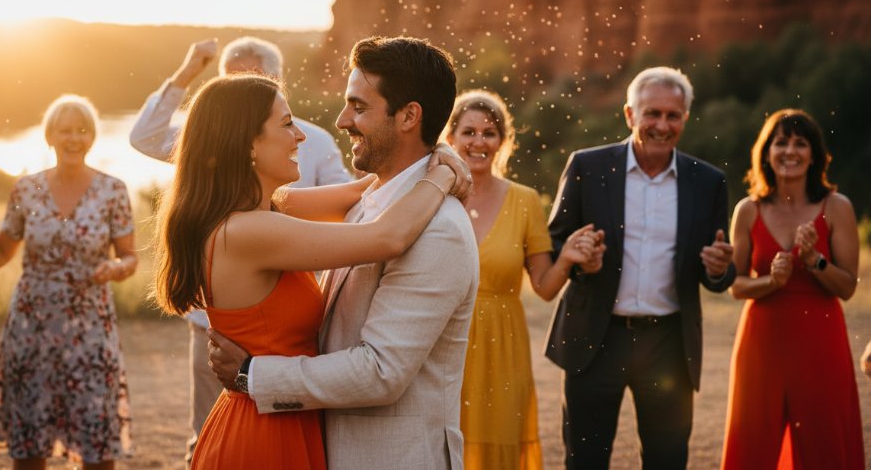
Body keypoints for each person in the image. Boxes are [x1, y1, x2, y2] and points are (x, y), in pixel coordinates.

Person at [208, 36, 480, 470]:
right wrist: (442, 162)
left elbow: (380, 372)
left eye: (358, 106)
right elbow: (384, 232)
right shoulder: (370, 205)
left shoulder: (438, 230)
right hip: (301, 442)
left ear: (410, 116)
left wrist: (251, 375)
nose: (341, 120)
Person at [129, 36, 351, 465]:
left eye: (250, 77)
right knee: (212, 424)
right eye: (228, 78)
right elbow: (146, 136)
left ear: (274, 80)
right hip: (215, 321)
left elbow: (351, 205)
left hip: (287, 322)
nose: (236, 88)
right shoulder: (210, 135)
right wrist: (187, 72)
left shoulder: (315, 141)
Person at [545, 66, 736, 469]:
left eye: (673, 115)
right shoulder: (587, 166)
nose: (661, 125)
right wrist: (581, 260)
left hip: (668, 342)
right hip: (596, 338)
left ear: (685, 117)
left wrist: (718, 269)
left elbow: (717, 271)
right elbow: (555, 242)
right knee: (584, 461)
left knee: (667, 461)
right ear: (630, 114)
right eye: (652, 113)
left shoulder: (708, 181)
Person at [442, 90, 604, 470]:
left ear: (503, 141)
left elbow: (545, 288)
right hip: (443, 340)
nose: (478, 142)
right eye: (468, 132)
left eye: (489, 133)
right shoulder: (434, 196)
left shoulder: (526, 200)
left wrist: (567, 257)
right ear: (450, 139)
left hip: (503, 345)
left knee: (499, 444)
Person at [0, 95, 137, 470]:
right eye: (65, 130)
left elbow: (130, 256)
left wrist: (116, 269)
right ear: (50, 136)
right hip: (31, 325)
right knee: (30, 439)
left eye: (82, 130)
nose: (73, 138)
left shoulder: (113, 190)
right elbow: (2, 250)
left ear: (93, 137)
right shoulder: (25, 189)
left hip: (90, 325)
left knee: (95, 438)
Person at [720, 109, 863, 468]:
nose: (790, 151)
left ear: (814, 155)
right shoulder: (747, 211)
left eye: (800, 143)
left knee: (822, 440)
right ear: (766, 152)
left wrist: (814, 259)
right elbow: (734, 285)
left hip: (820, 339)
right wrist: (772, 281)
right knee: (753, 439)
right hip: (761, 339)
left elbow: (846, 287)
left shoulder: (837, 207)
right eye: (780, 142)